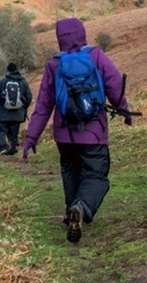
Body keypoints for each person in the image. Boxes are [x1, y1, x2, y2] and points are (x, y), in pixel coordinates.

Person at [22, 17, 132, 243]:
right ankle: (81, 207)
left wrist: (31, 137)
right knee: (96, 175)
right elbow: (114, 85)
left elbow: (43, 105)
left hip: (64, 135)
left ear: (59, 37)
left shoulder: (54, 64)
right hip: (94, 132)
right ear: (82, 32)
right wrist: (125, 111)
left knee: (70, 170)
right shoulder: (96, 56)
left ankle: (71, 208)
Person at [0, 62, 32, 155]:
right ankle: (13, 148)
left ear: (8, 71)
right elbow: (29, 96)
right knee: (14, 131)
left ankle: (4, 147)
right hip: (18, 112)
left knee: (2, 131)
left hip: (3, 112)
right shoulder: (23, 82)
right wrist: (24, 107)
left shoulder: (3, 81)